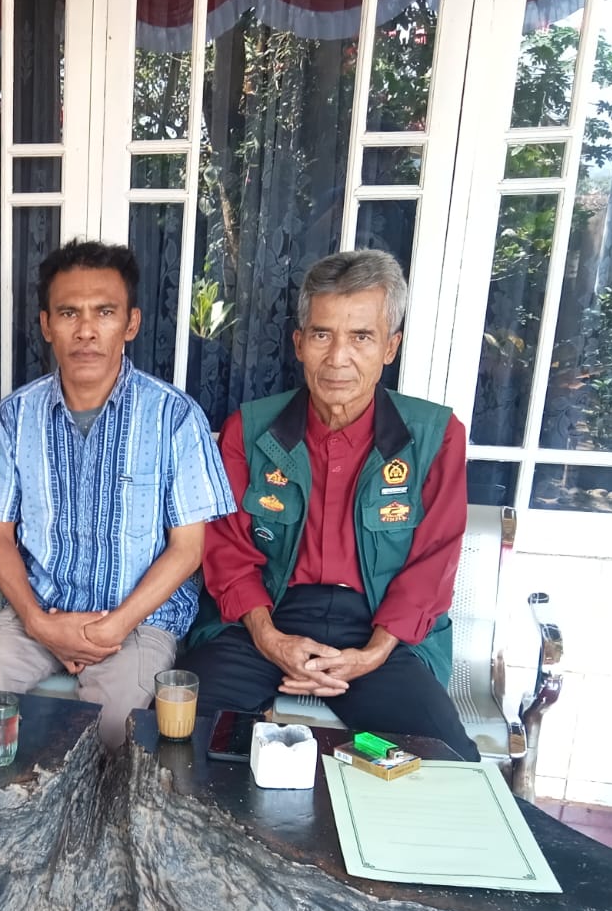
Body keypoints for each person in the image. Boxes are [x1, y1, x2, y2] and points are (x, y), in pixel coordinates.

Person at [180, 249, 481, 761]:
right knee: (177, 738)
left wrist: (371, 655)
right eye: (322, 335)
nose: (338, 357)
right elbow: (227, 551)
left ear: (390, 347)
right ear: (299, 343)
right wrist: (271, 640)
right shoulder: (249, 430)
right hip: (266, 618)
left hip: (379, 629)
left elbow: (433, 564)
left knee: (446, 764)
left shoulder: (435, 437)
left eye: (361, 337)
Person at [0, 240, 235, 750]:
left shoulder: (173, 416)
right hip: (37, 611)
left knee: (113, 741)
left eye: (104, 312)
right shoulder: (16, 416)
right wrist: (38, 622)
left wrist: (115, 627)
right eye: (69, 313)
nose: (86, 330)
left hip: (138, 621)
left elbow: (188, 549)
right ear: (47, 325)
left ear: (130, 323)